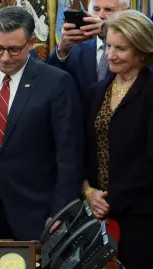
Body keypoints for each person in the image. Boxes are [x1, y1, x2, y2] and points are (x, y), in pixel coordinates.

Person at [0, 7, 83, 241]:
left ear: (30, 43)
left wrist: (60, 211)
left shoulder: (57, 82)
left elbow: (69, 155)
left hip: (39, 212)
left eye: (14, 49)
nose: (5, 57)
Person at [82, 10, 153, 268]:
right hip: (96, 212)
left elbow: (149, 160)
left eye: (121, 48)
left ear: (142, 51)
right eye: (108, 45)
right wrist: (89, 191)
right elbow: (84, 148)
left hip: (141, 215)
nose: (110, 55)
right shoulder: (97, 90)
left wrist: (110, 200)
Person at [48, 0, 129, 100]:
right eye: (96, 9)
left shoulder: (135, 47)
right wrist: (61, 50)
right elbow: (51, 81)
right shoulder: (76, 45)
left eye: (108, 10)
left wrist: (107, 35)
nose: (100, 15)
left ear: (126, 13)